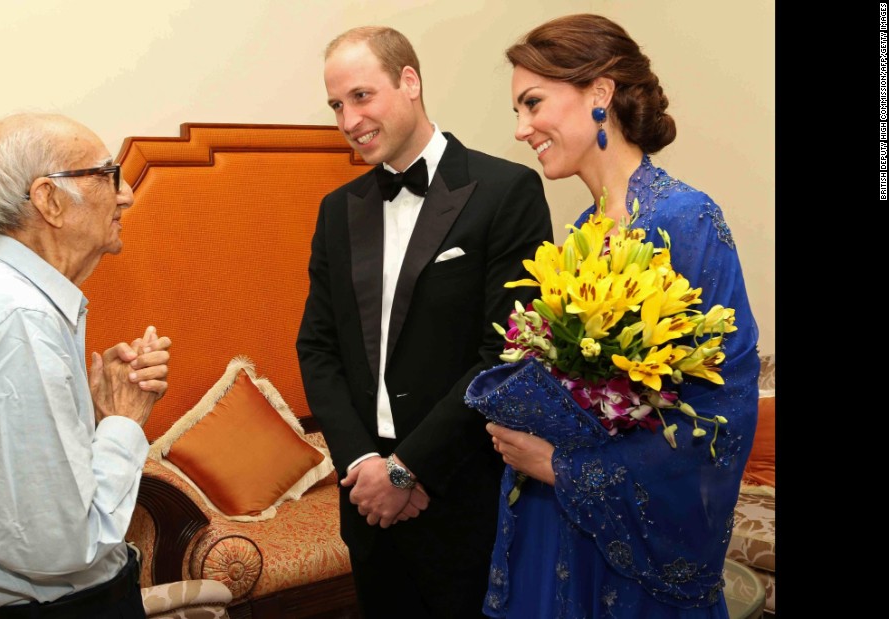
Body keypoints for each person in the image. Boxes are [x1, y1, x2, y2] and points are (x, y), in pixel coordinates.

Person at [481, 14, 760, 618]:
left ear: (600, 94)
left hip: (626, 544)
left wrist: (562, 466)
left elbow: (724, 411)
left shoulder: (685, 219)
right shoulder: (583, 231)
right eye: (517, 112)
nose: (524, 128)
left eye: (533, 103)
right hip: (563, 529)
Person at [296, 26, 554, 618]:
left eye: (362, 96)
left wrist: (409, 470)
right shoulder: (338, 211)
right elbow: (317, 346)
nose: (348, 119)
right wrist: (363, 464)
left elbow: (508, 355)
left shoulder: (505, 190)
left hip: (463, 488)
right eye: (337, 104)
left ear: (409, 81)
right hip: (365, 499)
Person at [0, 112, 173, 619]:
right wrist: (122, 419)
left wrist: (84, 413)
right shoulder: (19, 320)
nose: (127, 195)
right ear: (49, 199)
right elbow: (60, 546)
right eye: (107, 175)